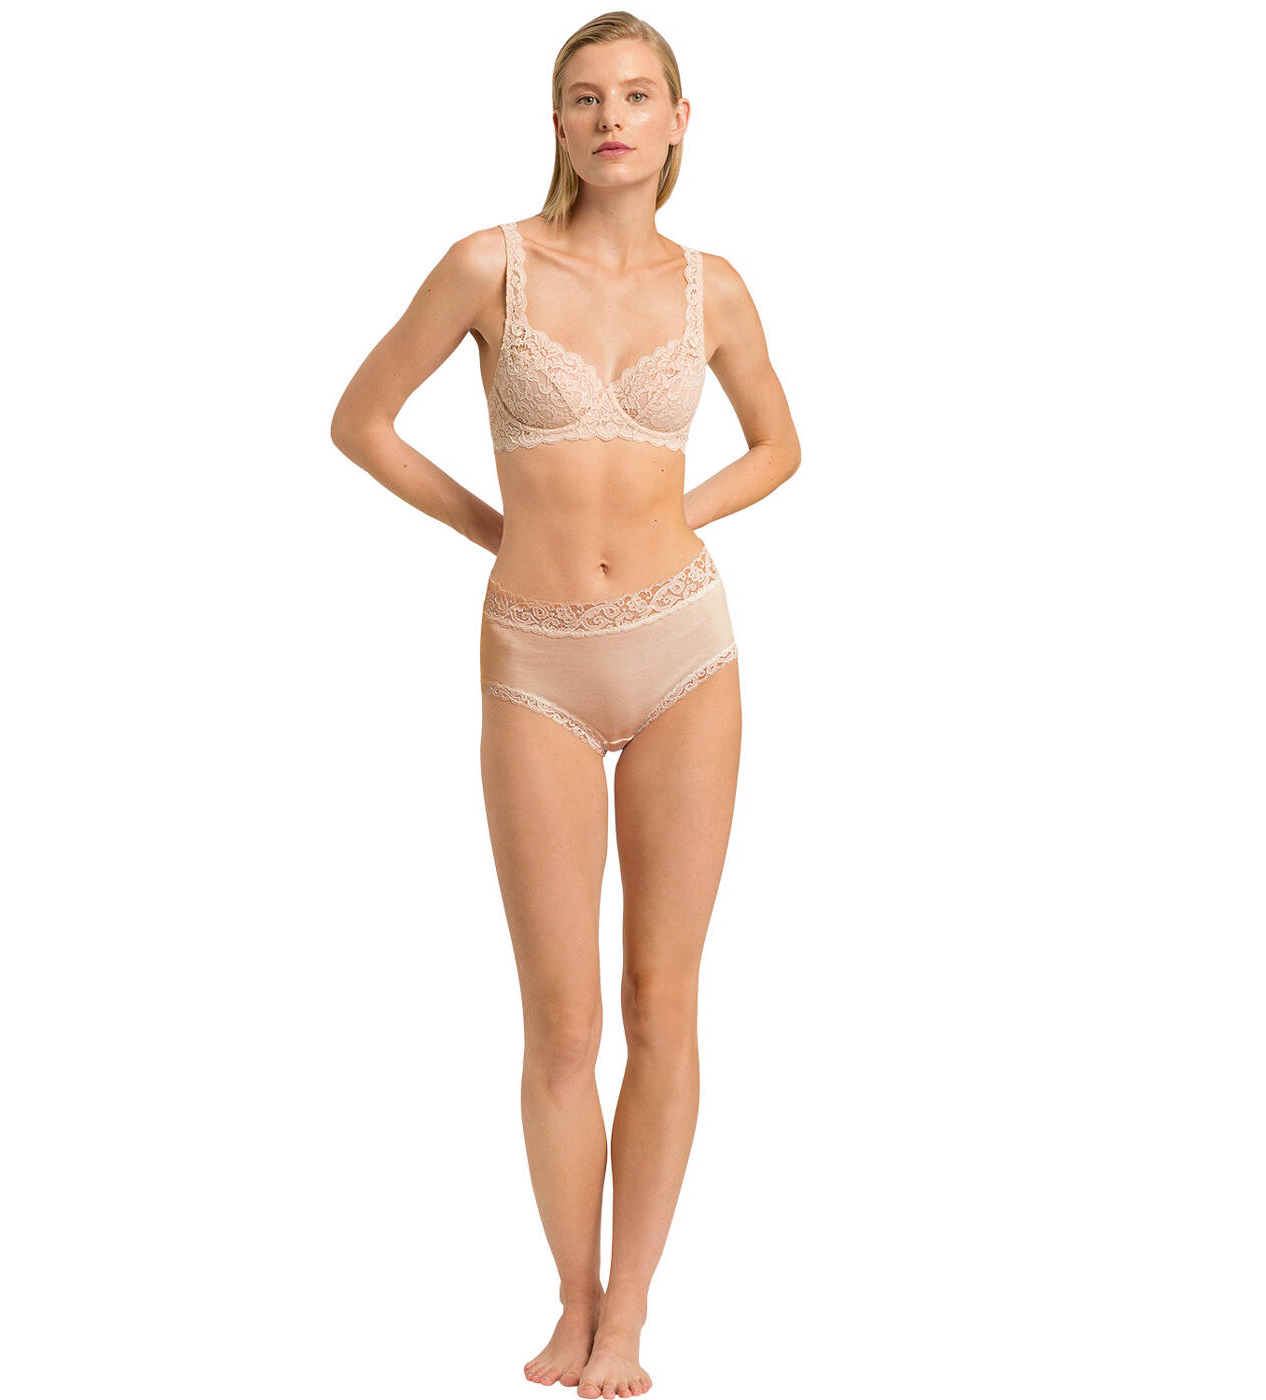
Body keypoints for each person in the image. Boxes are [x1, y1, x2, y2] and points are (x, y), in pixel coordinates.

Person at [330, 13, 801, 1396]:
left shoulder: (714, 287)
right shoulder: (490, 265)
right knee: (562, 1022)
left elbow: (782, 444)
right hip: (533, 653)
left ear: (679, 120)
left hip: (685, 652)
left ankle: (630, 1315)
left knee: (665, 1002)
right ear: (556, 123)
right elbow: (360, 421)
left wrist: (676, 516)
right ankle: (571, 1302)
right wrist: (495, 531)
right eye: (585, 98)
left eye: (637, 96)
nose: (611, 119)